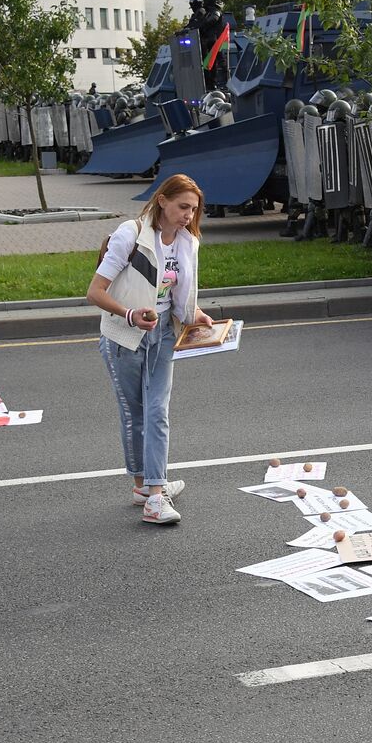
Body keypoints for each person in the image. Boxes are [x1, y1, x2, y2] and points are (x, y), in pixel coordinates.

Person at [87, 174, 214, 525]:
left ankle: (155, 495)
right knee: (136, 414)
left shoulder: (187, 242)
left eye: (194, 209)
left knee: (157, 411)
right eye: (182, 207)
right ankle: (144, 487)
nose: (189, 215)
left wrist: (196, 315)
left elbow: (175, 295)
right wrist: (129, 314)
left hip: (163, 335)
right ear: (162, 201)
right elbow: (95, 292)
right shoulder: (132, 235)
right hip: (123, 336)